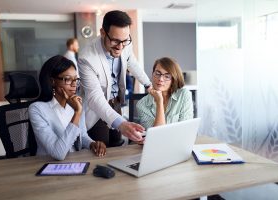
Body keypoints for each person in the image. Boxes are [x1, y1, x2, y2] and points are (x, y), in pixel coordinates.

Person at [78, 10, 152, 147]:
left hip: (116, 102)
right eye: (115, 41)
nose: (120, 47)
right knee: (101, 148)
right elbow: (95, 97)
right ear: (103, 32)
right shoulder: (86, 58)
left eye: (124, 41)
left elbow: (132, 62)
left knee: (116, 144)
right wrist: (122, 124)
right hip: (97, 109)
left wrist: (148, 84)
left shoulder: (124, 42)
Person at [28, 55, 106, 160]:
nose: (74, 84)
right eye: (68, 79)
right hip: (49, 166)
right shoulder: (37, 109)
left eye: (76, 79)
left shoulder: (75, 103)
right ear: (52, 81)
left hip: (73, 161)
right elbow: (58, 153)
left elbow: (81, 135)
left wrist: (92, 144)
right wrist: (77, 113)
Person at [136, 57, 194, 130]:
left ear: (173, 79)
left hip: (179, 141)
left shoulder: (184, 95)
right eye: (157, 73)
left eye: (167, 76)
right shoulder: (142, 104)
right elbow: (156, 135)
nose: (160, 79)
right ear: (152, 74)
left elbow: (186, 130)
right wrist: (159, 102)